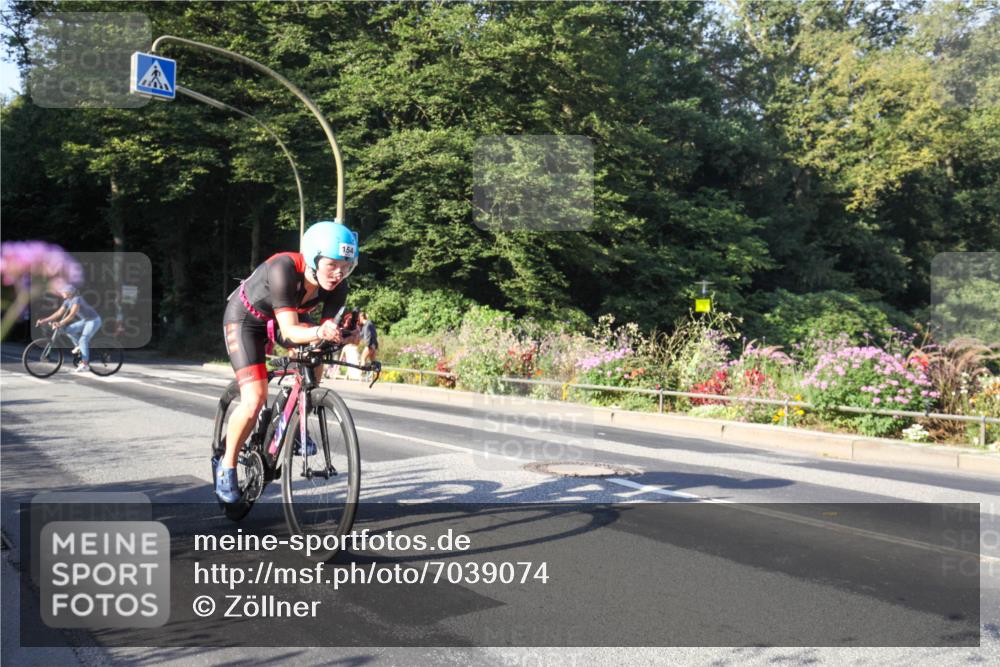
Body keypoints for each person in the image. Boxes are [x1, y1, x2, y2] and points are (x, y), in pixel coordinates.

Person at [216, 220, 361, 503]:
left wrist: (343, 336)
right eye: (332, 265)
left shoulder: (338, 287)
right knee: (254, 398)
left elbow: (324, 332)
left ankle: (293, 420)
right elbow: (292, 331)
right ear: (313, 257)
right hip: (247, 320)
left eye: (346, 266)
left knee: (316, 355)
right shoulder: (283, 269)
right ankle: (227, 465)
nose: (338, 274)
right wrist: (319, 331)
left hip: (285, 319)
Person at [36, 285, 102, 373]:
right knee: (68, 330)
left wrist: (60, 323)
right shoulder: (67, 301)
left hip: (94, 320)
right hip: (85, 320)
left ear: (69, 293)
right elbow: (58, 313)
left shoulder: (77, 299)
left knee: (83, 340)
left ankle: (85, 364)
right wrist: (44, 320)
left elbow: (71, 315)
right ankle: (79, 346)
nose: (61, 293)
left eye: (63, 292)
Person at [358, 311, 378, 376]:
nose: (358, 319)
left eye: (359, 318)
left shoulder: (367, 325)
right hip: (374, 345)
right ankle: (375, 375)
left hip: (370, 345)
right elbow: (361, 335)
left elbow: (368, 336)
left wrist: (368, 345)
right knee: (373, 362)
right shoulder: (369, 324)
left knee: (363, 357)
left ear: (362, 317)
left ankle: (361, 374)